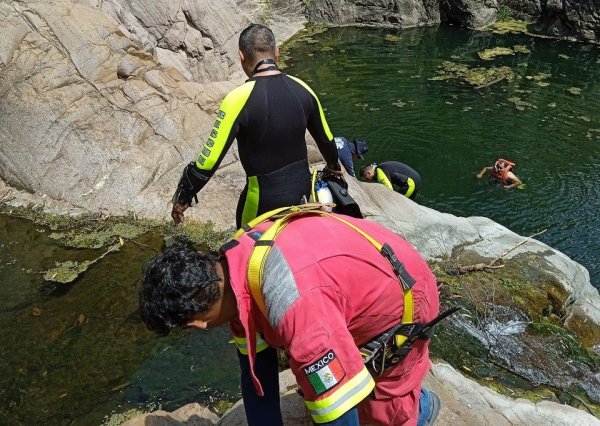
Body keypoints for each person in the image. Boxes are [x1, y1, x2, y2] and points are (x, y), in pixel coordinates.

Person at [139, 210, 442, 425]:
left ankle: (420, 408)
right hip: (349, 281)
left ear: (197, 323)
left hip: (406, 292)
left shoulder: (289, 303)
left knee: (374, 416)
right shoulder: (229, 272)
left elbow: (337, 404)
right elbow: (257, 375)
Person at [171, 23, 340, 228]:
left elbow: (208, 161)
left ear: (242, 56)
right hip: (303, 198)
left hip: (260, 205)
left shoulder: (237, 99)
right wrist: (333, 168)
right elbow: (328, 142)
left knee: (244, 257)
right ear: (277, 53)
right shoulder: (303, 89)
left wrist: (183, 198)